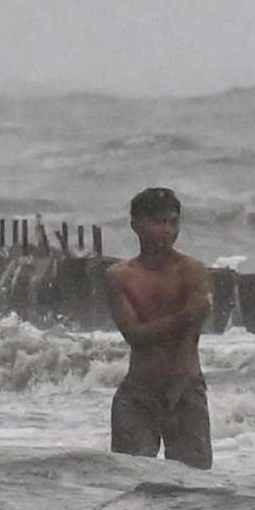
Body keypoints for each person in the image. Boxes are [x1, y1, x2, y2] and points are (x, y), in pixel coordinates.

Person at [103, 185, 214, 470]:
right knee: (131, 479)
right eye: (158, 222)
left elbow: (190, 338)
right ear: (136, 225)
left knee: (194, 484)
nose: (166, 230)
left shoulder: (192, 270)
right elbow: (135, 336)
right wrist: (185, 315)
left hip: (185, 387)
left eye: (172, 222)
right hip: (139, 390)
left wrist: (178, 385)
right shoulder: (120, 276)